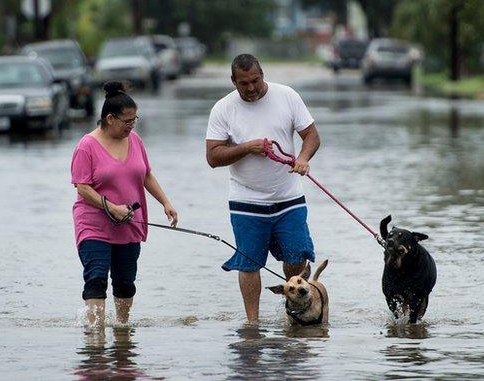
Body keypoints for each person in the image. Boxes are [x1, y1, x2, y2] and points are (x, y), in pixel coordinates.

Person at [205, 54, 321, 324]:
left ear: (262, 75)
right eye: (243, 83)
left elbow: (312, 136)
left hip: (289, 197)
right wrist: (247, 147)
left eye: (255, 81)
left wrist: (303, 159)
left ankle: (293, 312)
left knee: (296, 256)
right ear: (234, 81)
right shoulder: (223, 109)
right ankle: (253, 324)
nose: (251, 88)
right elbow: (212, 157)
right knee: (249, 263)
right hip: (246, 200)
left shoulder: (287, 96)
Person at [70, 81, 178, 328]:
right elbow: (82, 187)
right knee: (96, 277)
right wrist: (111, 207)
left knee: (125, 282)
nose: (132, 125)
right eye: (127, 121)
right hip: (94, 225)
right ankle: (95, 337)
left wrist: (165, 202)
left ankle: (122, 332)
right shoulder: (86, 146)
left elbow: (146, 174)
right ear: (110, 118)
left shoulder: (136, 140)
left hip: (129, 223)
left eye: (134, 120)